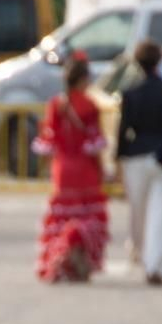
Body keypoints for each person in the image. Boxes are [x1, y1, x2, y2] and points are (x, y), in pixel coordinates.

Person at [32, 55, 109, 283]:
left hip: (62, 170)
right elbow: (94, 145)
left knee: (60, 220)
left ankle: (60, 257)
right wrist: (102, 170)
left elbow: (49, 143)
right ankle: (78, 255)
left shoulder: (56, 105)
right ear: (83, 79)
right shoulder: (90, 105)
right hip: (85, 171)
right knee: (88, 218)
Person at [116, 39, 162, 286]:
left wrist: (118, 160)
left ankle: (140, 254)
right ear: (160, 61)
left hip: (136, 157)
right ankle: (157, 264)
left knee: (138, 211)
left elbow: (123, 131)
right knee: (161, 214)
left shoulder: (130, 93)